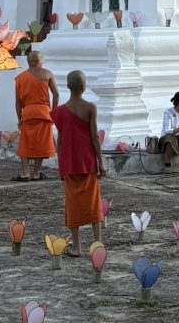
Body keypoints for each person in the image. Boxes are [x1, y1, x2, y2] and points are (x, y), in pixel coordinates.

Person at [50, 70, 106, 256]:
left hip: (69, 162)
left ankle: (77, 246)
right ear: (83, 86)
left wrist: (60, 165)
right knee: (93, 201)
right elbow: (94, 137)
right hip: (87, 161)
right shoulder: (90, 107)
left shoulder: (59, 112)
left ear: (67, 86)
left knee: (72, 203)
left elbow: (60, 140)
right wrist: (101, 162)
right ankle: (97, 244)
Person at [14, 49, 59, 181]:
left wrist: (19, 118)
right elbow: (56, 94)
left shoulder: (20, 78)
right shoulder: (47, 74)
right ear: (38, 62)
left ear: (29, 62)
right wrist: (54, 113)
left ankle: (25, 172)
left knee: (25, 142)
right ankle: (36, 173)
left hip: (28, 112)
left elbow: (18, 102)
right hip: (44, 113)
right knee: (42, 143)